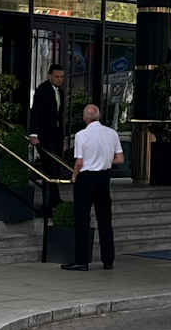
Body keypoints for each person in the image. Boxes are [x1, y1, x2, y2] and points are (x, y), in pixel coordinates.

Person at [64, 102, 121, 271]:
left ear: (85, 118)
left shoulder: (81, 135)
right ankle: (108, 260)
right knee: (105, 219)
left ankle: (82, 261)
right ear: (99, 116)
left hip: (86, 178)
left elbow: (79, 162)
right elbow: (120, 159)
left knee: (82, 219)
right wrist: (104, 160)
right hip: (103, 177)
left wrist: (74, 176)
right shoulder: (112, 133)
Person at [29, 62, 69, 209]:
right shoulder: (43, 90)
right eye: (57, 76)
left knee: (55, 167)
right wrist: (34, 134)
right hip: (44, 136)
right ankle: (52, 201)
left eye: (62, 77)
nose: (60, 79)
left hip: (56, 135)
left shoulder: (60, 92)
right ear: (49, 76)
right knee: (50, 167)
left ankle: (53, 200)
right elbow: (35, 113)